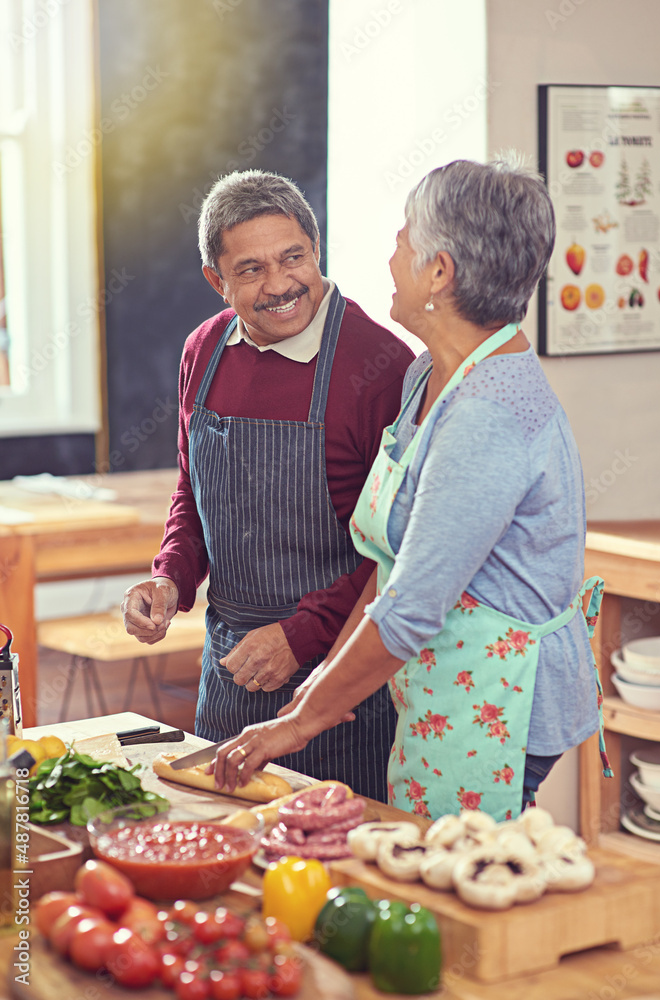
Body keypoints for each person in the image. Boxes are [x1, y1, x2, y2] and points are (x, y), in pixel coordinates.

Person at [209, 153, 612, 822]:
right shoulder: (428, 375)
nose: (390, 252)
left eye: (403, 235)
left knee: (462, 898)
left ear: (439, 272)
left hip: (494, 703)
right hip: (437, 691)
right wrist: (318, 693)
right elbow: (393, 570)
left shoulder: (487, 414)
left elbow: (412, 607)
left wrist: (296, 725)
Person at [121, 169, 414, 801]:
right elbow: (193, 492)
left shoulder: (380, 365)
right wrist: (171, 575)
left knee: (333, 879)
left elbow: (401, 551)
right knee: (224, 864)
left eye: (294, 258)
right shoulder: (203, 351)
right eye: (251, 270)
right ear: (216, 281)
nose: (280, 285)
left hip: (340, 680)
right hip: (228, 672)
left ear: (317, 249)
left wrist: (301, 636)